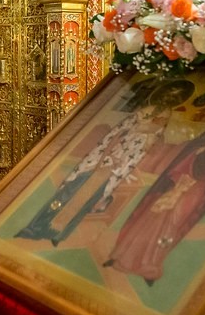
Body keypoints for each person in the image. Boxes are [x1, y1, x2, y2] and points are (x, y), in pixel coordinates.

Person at [103, 93, 205, 284]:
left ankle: (151, 265)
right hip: (182, 176)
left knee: (175, 220)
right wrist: (204, 149)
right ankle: (121, 256)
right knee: (150, 214)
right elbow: (191, 151)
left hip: (202, 186)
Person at [16, 80, 194, 246]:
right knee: (68, 192)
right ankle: (34, 228)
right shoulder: (144, 112)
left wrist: (145, 136)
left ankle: (58, 233)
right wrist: (109, 153)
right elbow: (120, 131)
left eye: (175, 96)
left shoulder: (161, 120)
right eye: (169, 93)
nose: (168, 99)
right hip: (104, 157)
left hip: (119, 163)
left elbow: (149, 139)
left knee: (88, 198)